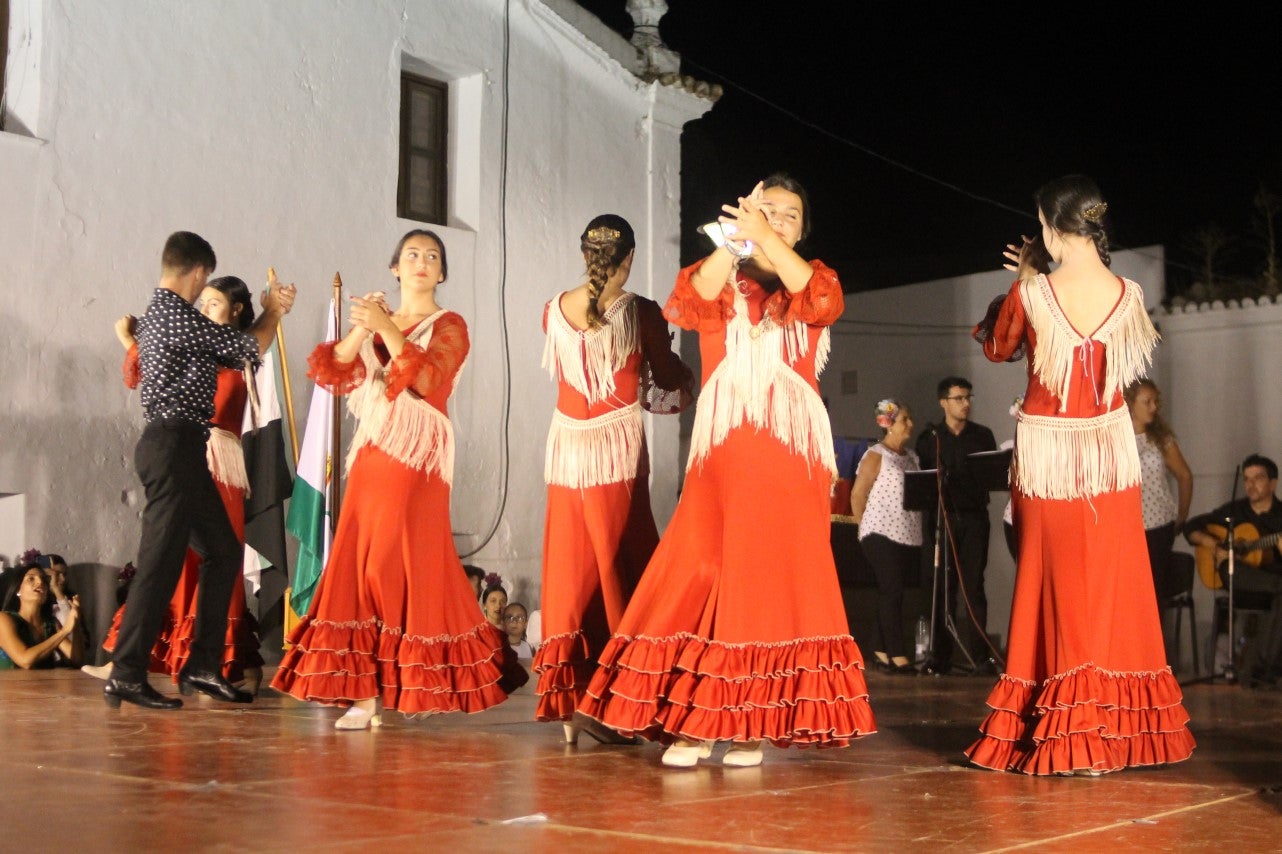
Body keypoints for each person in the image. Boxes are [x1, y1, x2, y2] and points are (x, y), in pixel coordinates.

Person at [579, 174, 876, 768]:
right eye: (767, 210)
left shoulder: (810, 281)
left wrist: (770, 237)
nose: (777, 220)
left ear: (804, 229)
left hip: (788, 451)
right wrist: (737, 240)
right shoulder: (723, 281)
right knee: (705, 568)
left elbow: (821, 297)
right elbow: (683, 304)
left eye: (790, 215)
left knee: (770, 583)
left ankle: (747, 727)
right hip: (725, 449)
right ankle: (696, 723)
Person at [965, 175, 1194, 775]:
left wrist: (1025, 280)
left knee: (1050, 578)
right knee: (1111, 584)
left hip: (1050, 456)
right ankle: (1109, 730)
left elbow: (998, 347)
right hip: (1109, 454)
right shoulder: (1130, 293)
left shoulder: (1035, 293)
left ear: (1049, 226)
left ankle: (1064, 729)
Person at [271, 229, 525, 729]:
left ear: (443, 272)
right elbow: (334, 371)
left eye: (433, 256)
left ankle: (386, 687)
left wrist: (386, 326)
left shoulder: (451, 324)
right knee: (359, 560)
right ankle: (363, 692)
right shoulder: (376, 317)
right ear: (395, 267)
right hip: (373, 449)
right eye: (412, 255)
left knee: (395, 563)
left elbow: (430, 379)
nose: (422, 262)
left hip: (419, 453)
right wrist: (365, 327)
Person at [108, 231, 295, 711]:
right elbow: (248, 346)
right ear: (197, 272)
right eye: (205, 280)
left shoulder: (159, 318)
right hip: (173, 445)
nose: (203, 288)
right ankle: (127, 673)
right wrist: (273, 310)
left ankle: (203, 665)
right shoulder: (176, 316)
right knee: (160, 563)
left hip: (181, 448)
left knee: (223, 551)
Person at [532, 214, 693, 742]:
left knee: (572, 568)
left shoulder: (552, 310)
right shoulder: (640, 311)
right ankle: (623, 697)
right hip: (615, 457)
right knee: (624, 562)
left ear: (587, 256)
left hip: (566, 457)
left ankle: (571, 703)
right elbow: (667, 383)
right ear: (629, 259)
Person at [916, 377, 999, 676]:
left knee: (974, 587)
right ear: (944, 403)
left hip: (974, 518)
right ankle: (941, 655)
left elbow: (990, 475)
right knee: (943, 589)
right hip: (942, 519)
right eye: (959, 398)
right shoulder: (930, 438)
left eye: (968, 397)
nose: (966, 403)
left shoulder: (982, 435)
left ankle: (980, 656)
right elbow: (923, 482)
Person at [1184, 454, 1282, 687]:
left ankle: (1261, 670)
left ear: (1273, 482)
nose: (1250, 485)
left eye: (1257, 478)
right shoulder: (1234, 511)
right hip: (1237, 578)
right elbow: (1191, 527)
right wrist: (1215, 546)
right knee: (1238, 570)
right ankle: (1261, 671)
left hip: (1272, 580)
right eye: (1247, 479)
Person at [850, 399, 922, 675]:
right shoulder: (876, 455)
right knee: (892, 590)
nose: (910, 425)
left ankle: (878, 649)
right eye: (905, 419)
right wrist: (862, 526)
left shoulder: (913, 457)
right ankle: (896, 653)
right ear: (889, 425)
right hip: (879, 531)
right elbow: (858, 494)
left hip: (905, 533)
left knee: (892, 591)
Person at [1126, 379, 1194, 607]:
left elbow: (1185, 476)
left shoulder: (1161, 439)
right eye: (1147, 402)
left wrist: (1181, 517)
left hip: (1158, 525)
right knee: (1129, 592)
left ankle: (1155, 642)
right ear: (1130, 404)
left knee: (1153, 591)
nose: (1154, 407)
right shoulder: (1115, 440)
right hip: (1126, 528)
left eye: (1155, 401)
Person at [0, 566, 83, 670]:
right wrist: (65, 631)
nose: (40, 582)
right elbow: (24, 661)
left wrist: (75, 621)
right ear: (18, 589)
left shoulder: (50, 623)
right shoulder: (4, 618)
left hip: (42, 685)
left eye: (44, 580)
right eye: (31, 578)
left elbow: (76, 660)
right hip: (10, 685)